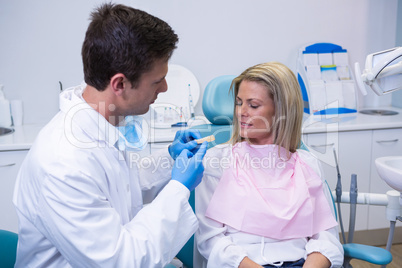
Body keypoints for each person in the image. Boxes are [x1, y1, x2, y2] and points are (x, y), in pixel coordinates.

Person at [13, 3, 207, 267]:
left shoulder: (103, 122)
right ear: (119, 84)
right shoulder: (63, 164)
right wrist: (179, 188)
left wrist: (170, 161)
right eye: (157, 80)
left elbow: (120, 186)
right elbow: (120, 261)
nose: (164, 87)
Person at [195, 62, 344, 268]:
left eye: (253, 105)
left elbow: (326, 238)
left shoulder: (306, 164)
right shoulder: (218, 161)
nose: (241, 112)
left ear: (281, 111)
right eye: (239, 103)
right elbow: (210, 241)